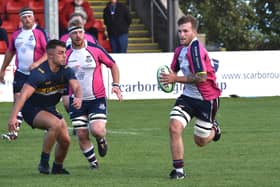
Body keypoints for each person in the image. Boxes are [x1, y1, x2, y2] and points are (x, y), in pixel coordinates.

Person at [7, 39, 82, 174]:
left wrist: (78, 97)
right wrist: (13, 117)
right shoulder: (39, 73)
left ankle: (57, 168)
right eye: (61, 53)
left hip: (50, 108)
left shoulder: (66, 71)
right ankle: (43, 162)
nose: (65, 56)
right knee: (55, 124)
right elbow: (23, 96)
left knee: (65, 141)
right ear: (50, 55)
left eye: (65, 53)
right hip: (32, 109)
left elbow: (76, 86)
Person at [160, 15, 222, 179]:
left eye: (185, 31)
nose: (181, 34)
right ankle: (179, 171)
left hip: (206, 100)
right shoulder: (180, 50)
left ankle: (214, 130)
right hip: (187, 97)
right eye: (179, 31)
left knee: (200, 141)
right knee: (174, 127)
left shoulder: (196, 49)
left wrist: (175, 79)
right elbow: (173, 70)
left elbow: (201, 77)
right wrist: (168, 77)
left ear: (194, 32)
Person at [65, 23, 122, 169]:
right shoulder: (65, 54)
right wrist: (64, 94)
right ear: (69, 36)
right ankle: (93, 164)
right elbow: (59, 75)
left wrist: (116, 85)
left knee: (96, 130)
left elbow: (113, 65)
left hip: (96, 98)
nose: (78, 36)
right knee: (81, 134)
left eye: (80, 32)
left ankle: (101, 139)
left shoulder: (95, 49)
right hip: (76, 100)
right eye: (74, 33)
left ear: (84, 33)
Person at [0, 7, 48, 140]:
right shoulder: (16, 34)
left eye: (29, 17)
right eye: (24, 17)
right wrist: (3, 69)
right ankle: (13, 132)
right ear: (20, 19)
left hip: (38, 73)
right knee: (18, 101)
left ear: (33, 18)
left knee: (43, 102)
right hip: (21, 73)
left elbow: (48, 52)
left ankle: (50, 124)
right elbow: (10, 51)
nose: (27, 19)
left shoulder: (39, 33)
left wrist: (37, 63)